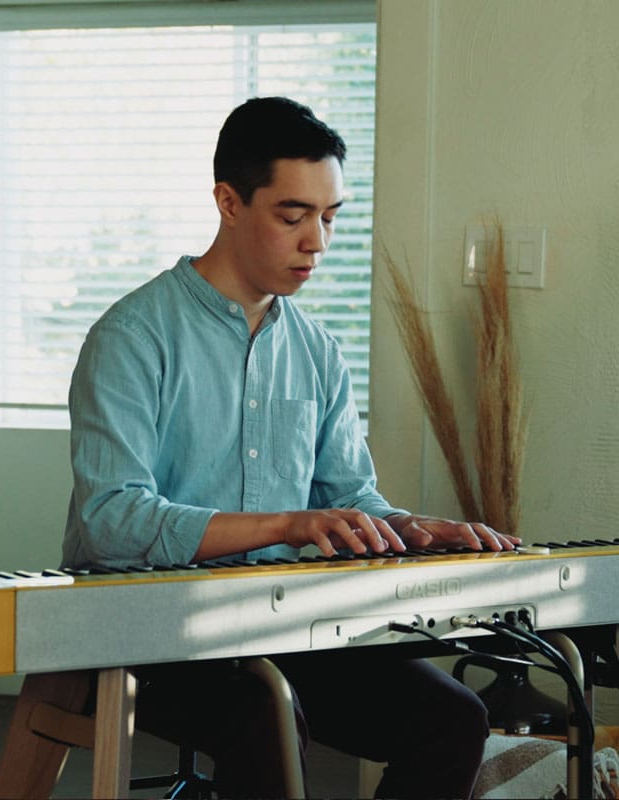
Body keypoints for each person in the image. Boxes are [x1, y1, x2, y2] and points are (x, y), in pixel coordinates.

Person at [62, 96, 520, 798]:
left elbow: (349, 499)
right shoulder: (131, 337)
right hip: (144, 631)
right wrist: (287, 524)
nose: (317, 242)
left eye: (330, 217)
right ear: (229, 202)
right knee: (264, 715)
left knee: (454, 719)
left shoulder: (319, 352)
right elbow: (110, 521)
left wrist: (411, 529)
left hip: (279, 626)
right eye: (293, 216)